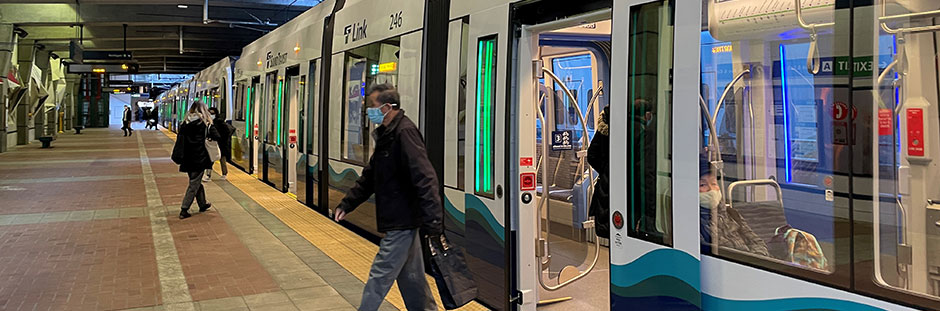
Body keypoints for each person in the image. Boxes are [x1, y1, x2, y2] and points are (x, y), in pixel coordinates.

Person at [334, 84, 442, 311]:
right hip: (400, 218)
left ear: (386, 107)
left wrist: (434, 222)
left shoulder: (404, 133)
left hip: (402, 219)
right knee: (411, 277)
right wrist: (348, 203)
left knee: (380, 274)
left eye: (371, 106)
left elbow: (426, 178)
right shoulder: (387, 135)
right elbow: (371, 175)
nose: (367, 111)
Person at [699, 156, 770, 257]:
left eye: (714, 183)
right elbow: (712, 255)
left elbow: (757, 241)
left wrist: (757, 259)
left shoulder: (731, 213)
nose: (711, 189)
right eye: (702, 185)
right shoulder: (694, 223)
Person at [171, 100, 220, 219]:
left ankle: (202, 204)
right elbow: (217, 136)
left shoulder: (185, 123)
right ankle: (184, 209)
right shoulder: (205, 123)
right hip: (200, 157)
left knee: (195, 180)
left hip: (186, 158)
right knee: (194, 184)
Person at [587, 105, 610, 239]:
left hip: (605, 187)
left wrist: (605, 171)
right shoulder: (635, 130)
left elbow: (592, 155)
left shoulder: (603, 129)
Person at [204, 107, 231, 181]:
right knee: (210, 159)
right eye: (209, 113)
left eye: (212, 113)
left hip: (220, 144)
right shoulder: (208, 122)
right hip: (212, 144)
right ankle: (208, 174)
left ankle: (224, 173)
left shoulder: (219, 122)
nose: (211, 115)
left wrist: (221, 139)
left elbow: (227, 132)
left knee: (222, 159)